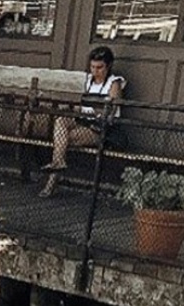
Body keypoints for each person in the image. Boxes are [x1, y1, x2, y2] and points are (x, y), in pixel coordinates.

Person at [42, 45, 125, 197]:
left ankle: (51, 182)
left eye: (99, 67)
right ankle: (58, 164)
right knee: (61, 121)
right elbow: (82, 105)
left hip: (99, 128)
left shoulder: (114, 83)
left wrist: (94, 108)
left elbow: (110, 110)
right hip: (83, 121)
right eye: (92, 67)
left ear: (108, 66)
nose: (95, 71)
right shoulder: (88, 81)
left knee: (62, 139)